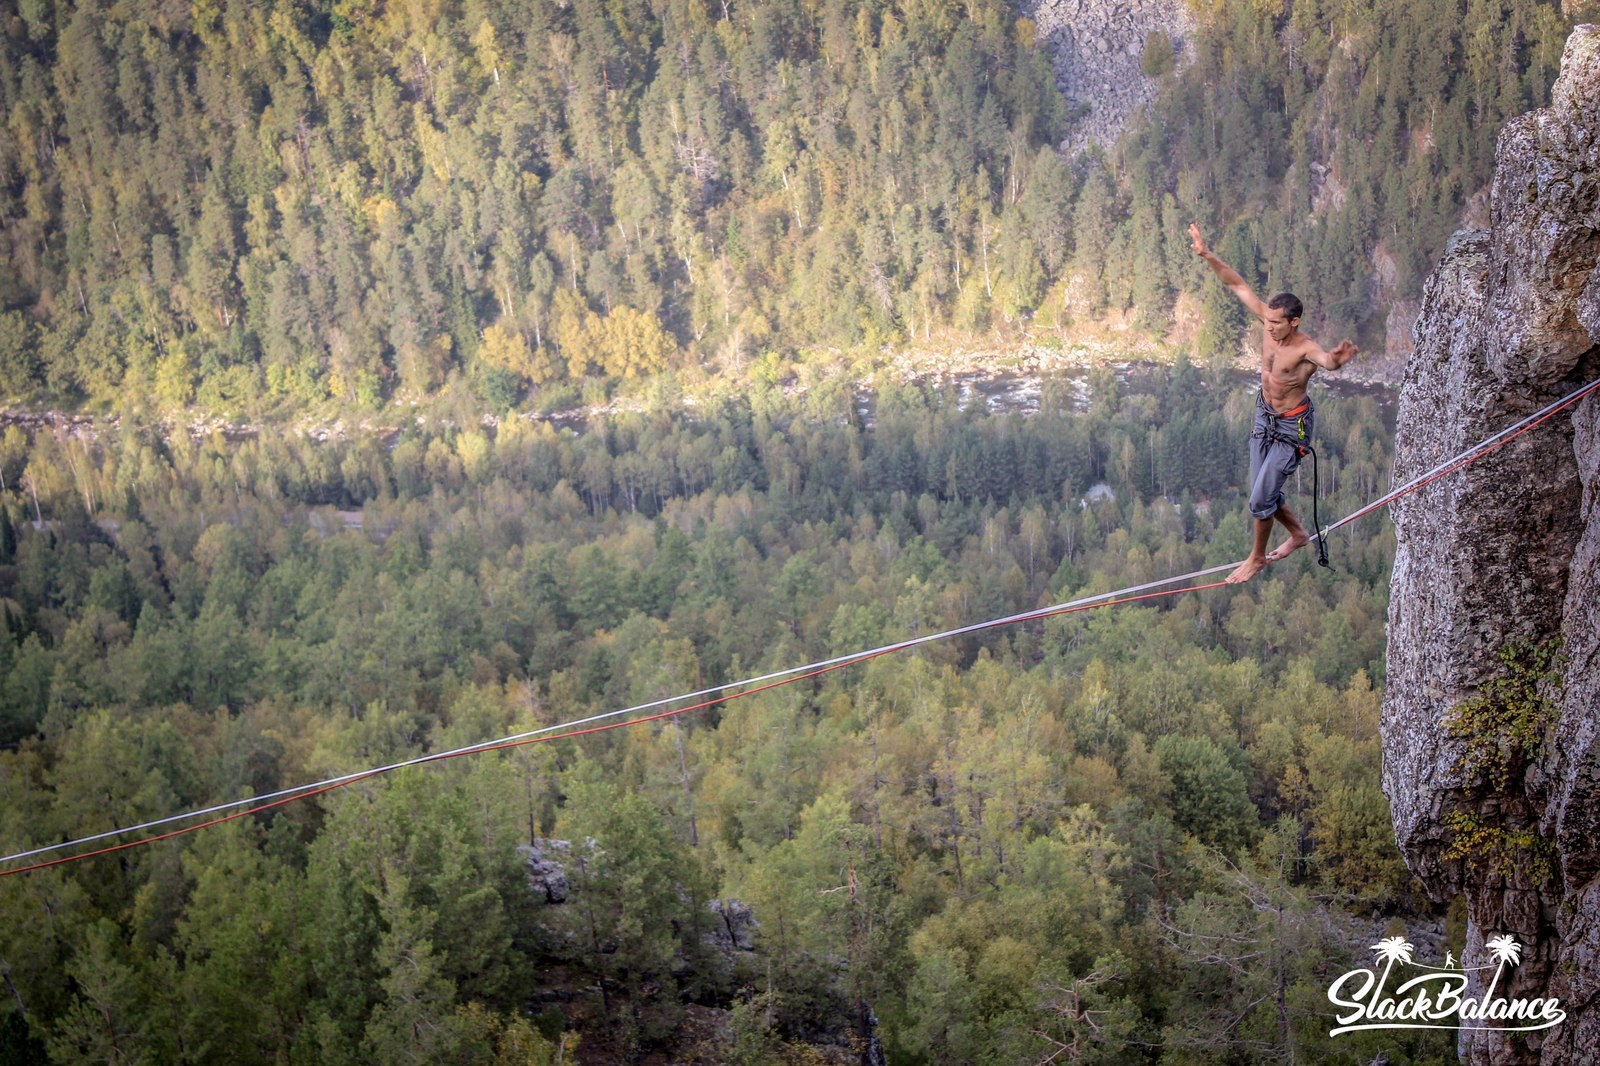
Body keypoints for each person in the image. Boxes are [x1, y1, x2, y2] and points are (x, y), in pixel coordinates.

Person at [1188, 223, 1358, 583]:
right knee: (1261, 493)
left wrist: (1338, 360)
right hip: (1264, 417)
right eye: (1268, 321)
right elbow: (1235, 284)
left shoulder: (1305, 348)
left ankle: (1256, 557)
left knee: (1259, 501)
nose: (1270, 329)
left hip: (1291, 427)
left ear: (1294, 322)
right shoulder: (1268, 321)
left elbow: (1325, 361)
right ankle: (1298, 535)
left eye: (1278, 324)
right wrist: (1207, 255)